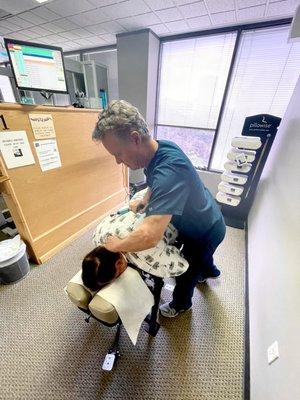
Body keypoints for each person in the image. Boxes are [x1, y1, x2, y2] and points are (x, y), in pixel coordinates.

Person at [92, 100, 226, 318]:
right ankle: (210, 271)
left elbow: (149, 236)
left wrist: (117, 245)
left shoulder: (170, 170)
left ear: (135, 138)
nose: (118, 162)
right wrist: (144, 198)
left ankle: (182, 305)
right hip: (208, 215)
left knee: (188, 272)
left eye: (118, 153)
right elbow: (154, 181)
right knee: (205, 260)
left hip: (204, 230)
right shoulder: (161, 148)